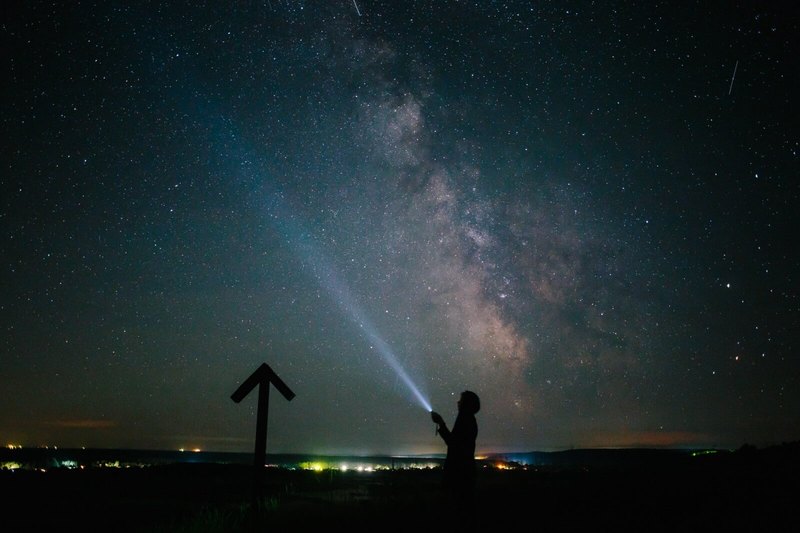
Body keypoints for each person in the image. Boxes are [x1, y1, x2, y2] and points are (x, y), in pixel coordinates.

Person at [430, 390, 480, 507]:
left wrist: (441, 423)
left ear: (466, 404)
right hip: (464, 473)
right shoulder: (468, 419)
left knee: (457, 508)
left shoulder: (465, 420)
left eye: (461, 400)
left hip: (459, 474)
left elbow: (453, 443)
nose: (457, 402)